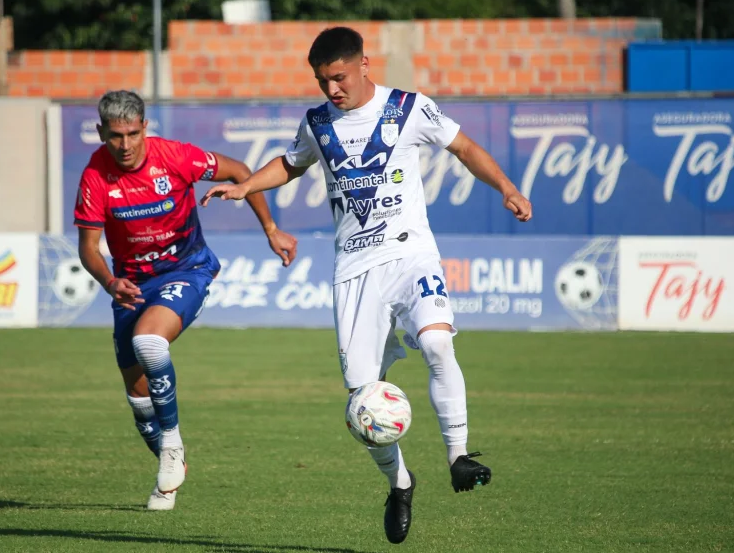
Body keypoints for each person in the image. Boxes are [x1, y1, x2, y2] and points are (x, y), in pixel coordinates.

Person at [201, 27, 532, 543]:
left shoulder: (409, 108)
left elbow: (464, 147)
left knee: (437, 343)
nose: (331, 89)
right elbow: (290, 164)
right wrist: (246, 186)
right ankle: (400, 483)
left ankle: (458, 455)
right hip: (355, 271)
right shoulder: (317, 122)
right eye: (322, 81)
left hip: (411, 255)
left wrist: (507, 188)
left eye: (338, 77)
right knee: (362, 400)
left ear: (363, 65)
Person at [74, 90, 297, 511]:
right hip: (131, 285)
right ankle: (168, 469)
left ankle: (173, 446)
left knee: (149, 342)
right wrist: (109, 281)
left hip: (186, 270)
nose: (125, 145)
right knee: (139, 401)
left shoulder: (176, 157)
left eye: (133, 133)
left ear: (145, 127)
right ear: (101, 132)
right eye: (116, 136)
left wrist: (271, 229)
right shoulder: (95, 175)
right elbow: (88, 248)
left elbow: (240, 171)